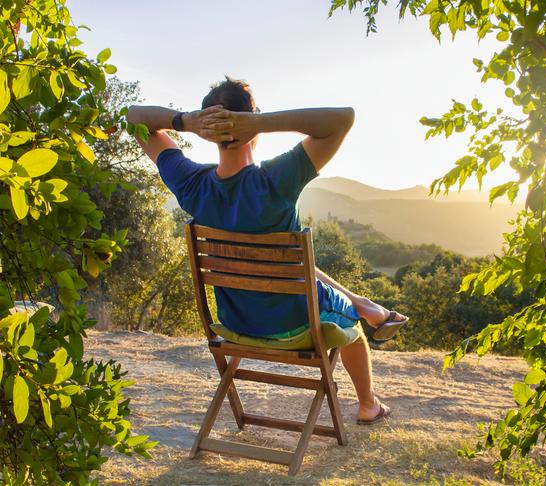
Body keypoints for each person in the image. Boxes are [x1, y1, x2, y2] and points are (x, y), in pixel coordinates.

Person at [126, 77, 408, 424]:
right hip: (294, 325)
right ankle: (368, 404)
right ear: (251, 123)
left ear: (208, 132)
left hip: (235, 324)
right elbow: (343, 118)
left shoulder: (190, 183)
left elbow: (134, 117)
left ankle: (363, 304)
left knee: (297, 266)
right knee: (351, 325)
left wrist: (186, 122)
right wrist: (260, 123)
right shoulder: (276, 180)